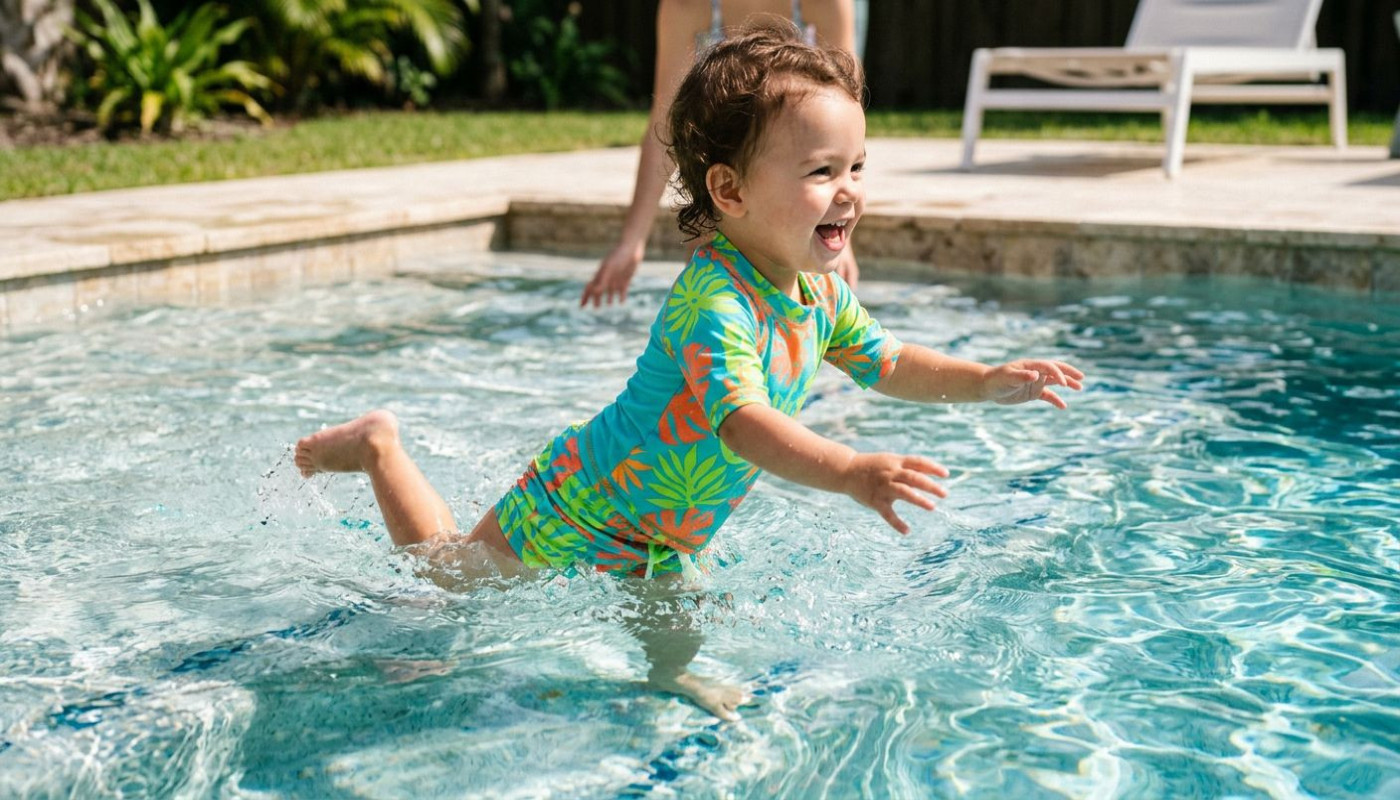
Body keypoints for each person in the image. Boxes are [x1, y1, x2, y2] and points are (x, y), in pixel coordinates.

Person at [296, 23, 1085, 722]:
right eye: (821, 172)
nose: (849, 191)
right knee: (455, 584)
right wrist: (848, 471)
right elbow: (741, 422)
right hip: (581, 502)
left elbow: (889, 362)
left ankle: (671, 682)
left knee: (673, 609)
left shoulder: (814, 293)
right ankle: (379, 447)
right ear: (730, 190)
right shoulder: (715, 305)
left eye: (857, 165)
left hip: (659, 529)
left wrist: (982, 379)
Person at [580, 0, 860, 307]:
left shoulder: (825, 4)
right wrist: (632, 241)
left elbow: (845, 116)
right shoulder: (685, 7)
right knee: (713, 287)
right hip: (725, 198)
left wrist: (837, 231)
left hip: (801, 199)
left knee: (806, 316)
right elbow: (666, 123)